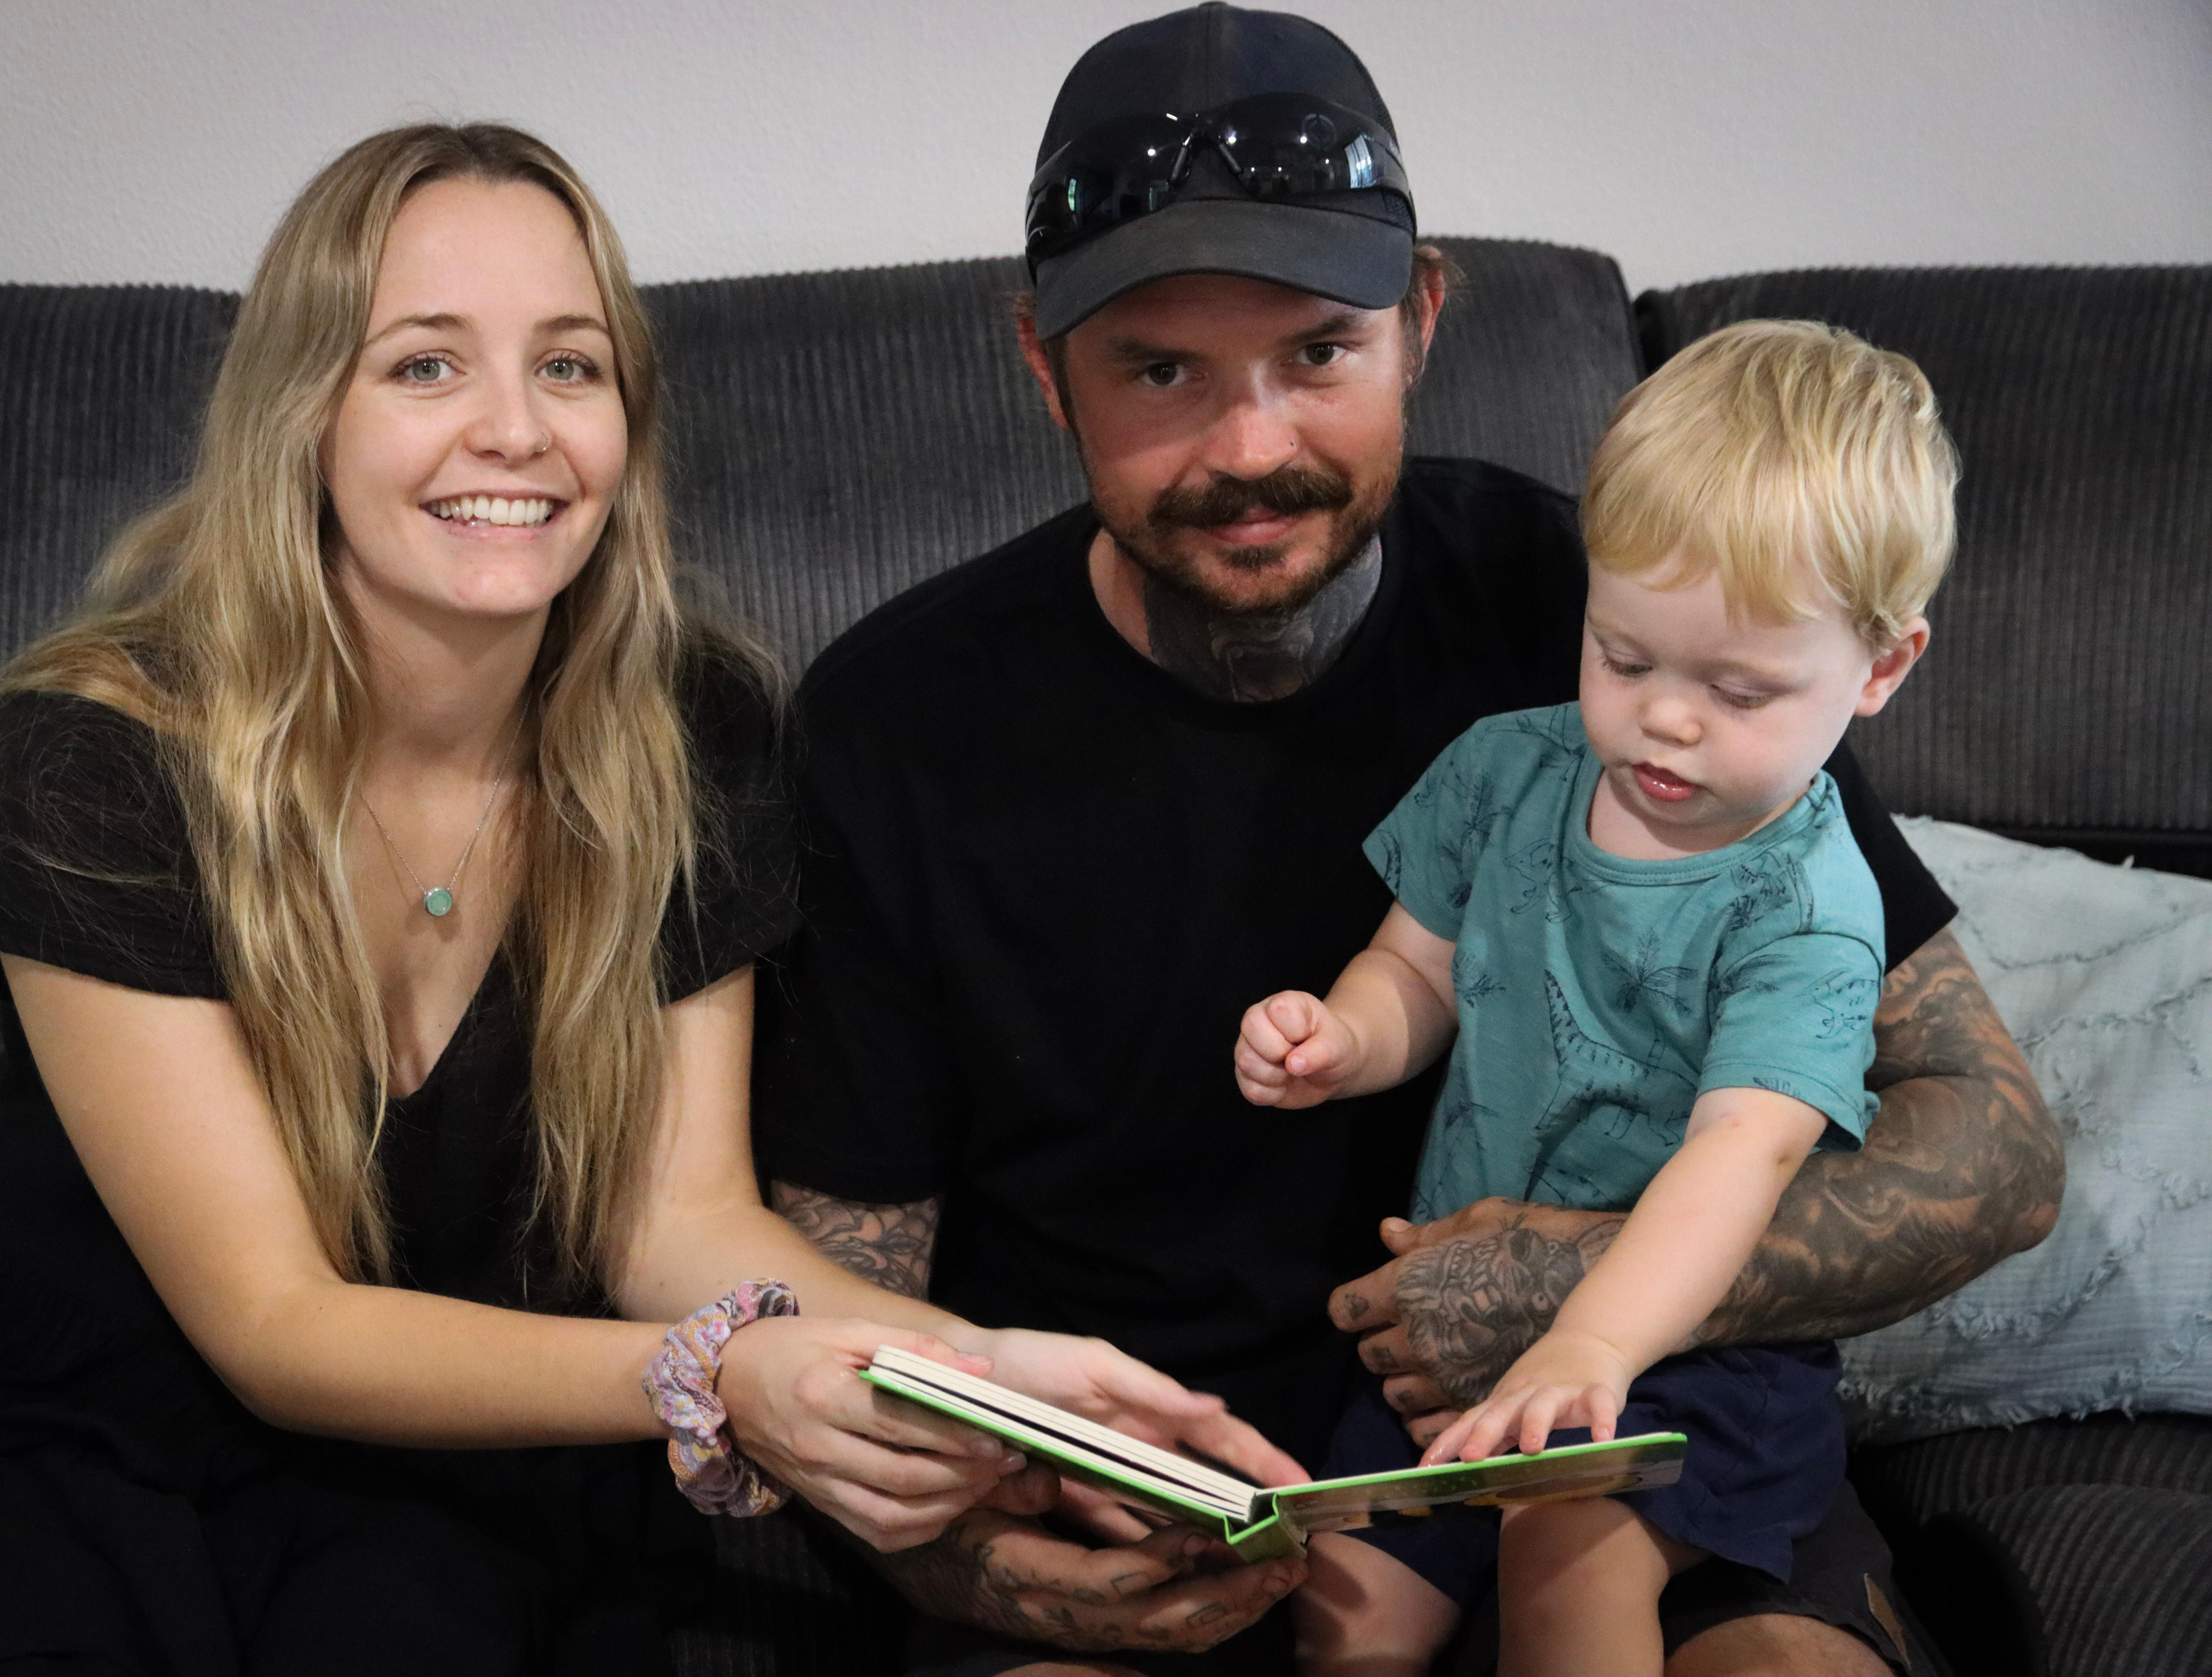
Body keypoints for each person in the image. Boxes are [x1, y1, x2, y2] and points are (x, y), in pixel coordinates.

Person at [0, 122, 1294, 1676]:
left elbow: (675, 1219)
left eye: (570, 366)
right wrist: (713, 1377)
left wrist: (985, 1378)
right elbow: (275, 1326)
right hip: (66, 1434)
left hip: (453, 1447)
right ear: (305, 414)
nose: (515, 431)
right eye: (425, 366)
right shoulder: (101, 752)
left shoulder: (691, 728)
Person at [750, 6, 2060, 1674]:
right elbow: (832, 1294)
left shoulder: (1618, 614)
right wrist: (985, 1566)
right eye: (1160, 370)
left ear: (1422, 319)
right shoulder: (890, 728)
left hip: (1620, 1424)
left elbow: (1997, 1150)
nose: (1251, 449)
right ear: (1042, 365)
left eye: (1319, 354)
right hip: (1153, 1509)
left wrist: (1581, 1295)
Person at [1237, 319, 1956, 1675]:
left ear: (1881, 669)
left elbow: (1742, 1155)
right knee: (1344, 1602)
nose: (1666, 720)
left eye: (1740, 689)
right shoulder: (1507, 770)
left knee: (1564, 1553)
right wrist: (1345, 1036)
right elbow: (1417, 968)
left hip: (1694, 1350)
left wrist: (1594, 1342)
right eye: (1625, 658)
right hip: (1462, 1328)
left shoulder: (1807, 910)